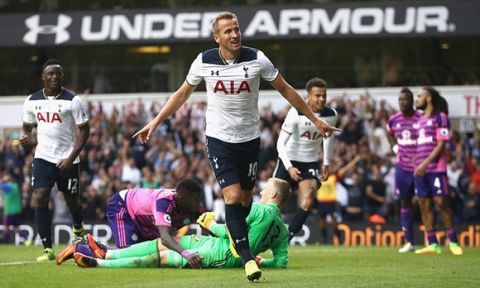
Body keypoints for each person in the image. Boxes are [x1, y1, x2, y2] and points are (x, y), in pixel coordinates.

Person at [132, 11, 339, 281]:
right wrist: (156, 121)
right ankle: (247, 260)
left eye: (237, 29)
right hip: (219, 139)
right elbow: (182, 93)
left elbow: (286, 89)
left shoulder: (257, 58)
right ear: (217, 37)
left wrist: (315, 120)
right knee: (231, 197)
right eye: (228, 31)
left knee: (243, 201)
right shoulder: (204, 61)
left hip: (249, 140)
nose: (234, 35)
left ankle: (234, 239)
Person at [72, 178, 291, 276]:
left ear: (272, 194)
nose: (261, 192)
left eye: (265, 189)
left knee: (158, 256)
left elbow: (234, 234)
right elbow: (280, 263)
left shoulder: (257, 210)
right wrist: (257, 259)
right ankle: (106, 255)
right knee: (160, 246)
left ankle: (101, 261)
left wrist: (212, 225)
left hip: (218, 251)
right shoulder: (282, 229)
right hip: (126, 208)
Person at [20, 59, 90, 262]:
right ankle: (47, 249)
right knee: (40, 196)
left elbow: (84, 132)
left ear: (62, 76)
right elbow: (27, 126)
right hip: (43, 156)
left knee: (72, 200)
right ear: (43, 77)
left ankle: (78, 227)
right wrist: (26, 137)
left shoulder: (72, 100)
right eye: (50, 74)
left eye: (58, 74)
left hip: (68, 158)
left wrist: (70, 159)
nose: (54, 77)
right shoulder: (32, 100)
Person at [57, 178, 205, 268]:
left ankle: (96, 245)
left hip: (146, 224)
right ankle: (80, 248)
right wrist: (187, 254)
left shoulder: (192, 206)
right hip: (124, 207)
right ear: (182, 197)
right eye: (195, 200)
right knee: (125, 255)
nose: (198, 204)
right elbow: (166, 238)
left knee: (146, 254)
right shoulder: (164, 202)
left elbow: (210, 224)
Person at [273, 77, 338, 241]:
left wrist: (327, 162)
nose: (322, 99)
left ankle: (287, 238)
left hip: (310, 161)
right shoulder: (296, 112)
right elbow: (280, 144)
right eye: (317, 95)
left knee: (308, 200)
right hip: (288, 159)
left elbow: (328, 137)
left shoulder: (331, 115)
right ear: (308, 96)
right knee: (273, 205)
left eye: (324, 95)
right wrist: (288, 167)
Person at [413, 87, 463, 255]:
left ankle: (454, 242)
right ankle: (433, 243)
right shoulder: (419, 120)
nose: (416, 99)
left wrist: (425, 163)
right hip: (420, 169)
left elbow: (441, 145)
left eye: (419, 96)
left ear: (428, 99)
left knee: (441, 202)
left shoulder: (440, 117)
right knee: (424, 204)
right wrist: (416, 160)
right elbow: (420, 143)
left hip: (435, 168)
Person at [386, 87, 422, 253]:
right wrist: (394, 146)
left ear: (412, 101)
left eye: (405, 99)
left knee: (425, 201)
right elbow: (389, 133)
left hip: (420, 167)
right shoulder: (394, 119)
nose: (402, 102)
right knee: (404, 201)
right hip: (402, 167)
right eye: (400, 100)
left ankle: (432, 239)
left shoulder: (421, 118)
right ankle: (409, 241)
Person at [0, 171, 24, 244]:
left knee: (6, 227)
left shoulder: (9, 186)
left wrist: (2, 180)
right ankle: (25, 240)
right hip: (16, 210)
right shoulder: (15, 186)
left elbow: (1, 186)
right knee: (17, 227)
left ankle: (6, 242)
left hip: (9, 210)